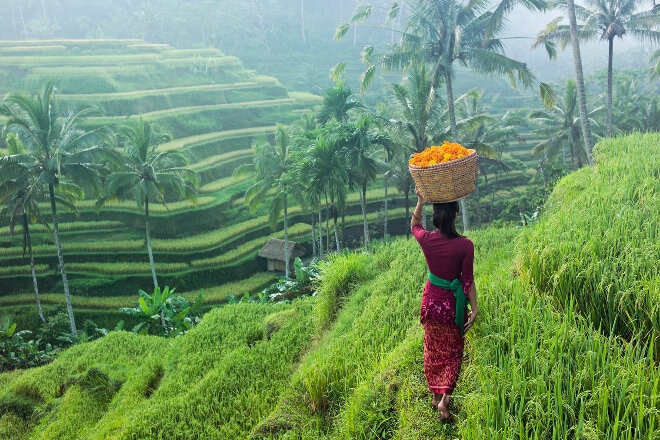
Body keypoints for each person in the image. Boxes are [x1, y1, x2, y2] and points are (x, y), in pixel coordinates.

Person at [411, 189, 478, 423]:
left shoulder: (428, 240)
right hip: (451, 308)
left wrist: (420, 202)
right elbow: (467, 280)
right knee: (453, 354)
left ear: (437, 217)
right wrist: (475, 308)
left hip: (430, 306)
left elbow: (415, 226)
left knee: (432, 350)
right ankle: (444, 402)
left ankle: (433, 395)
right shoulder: (465, 245)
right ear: (456, 214)